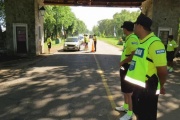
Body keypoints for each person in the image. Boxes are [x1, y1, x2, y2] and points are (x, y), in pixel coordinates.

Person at [125, 13, 168, 120]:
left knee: (147, 116)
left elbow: (162, 71)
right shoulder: (142, 42)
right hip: (139, 88)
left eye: (135, 25)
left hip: (148, 89)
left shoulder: (155, 44)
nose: (134, 27)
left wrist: (161, 85)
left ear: (139, 26)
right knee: (139, 113)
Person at [115, 21, 139, 120]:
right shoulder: (129, 38)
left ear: (126, 29)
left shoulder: (132, 38)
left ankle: (129, 113)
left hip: (128, 67)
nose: (123, 30)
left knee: (128, 91)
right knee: (125, 89)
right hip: (125, 67)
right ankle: (125, 107)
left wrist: (123, 62)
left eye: (123, 28)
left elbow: (134, 54)